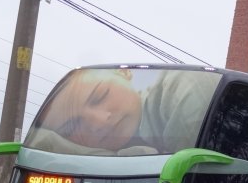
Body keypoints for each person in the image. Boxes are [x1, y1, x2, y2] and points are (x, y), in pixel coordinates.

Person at [29, 66, 221, 155]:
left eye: (100, 96)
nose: (100, 122)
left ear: (124, 72)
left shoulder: (181, 87)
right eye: (73, 126)